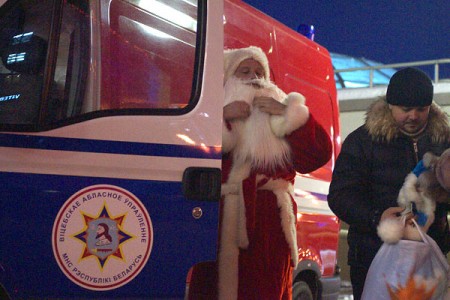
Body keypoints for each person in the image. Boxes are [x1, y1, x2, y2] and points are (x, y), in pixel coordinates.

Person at [218, 46, 332, 300]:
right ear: (227, 75)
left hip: (269, 227)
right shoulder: (212, 109)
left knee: (265, 289)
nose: (254, 77)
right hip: (220, 218)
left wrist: (286, 112)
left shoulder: (279, 107)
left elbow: (319, 154)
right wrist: (221, 116)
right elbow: (191, 150)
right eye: (244, 71)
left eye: (260, 71)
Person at [327, 67, 450, 300]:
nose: (413, 116)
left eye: (421, 109)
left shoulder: (443, 141)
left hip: (430, 257)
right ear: (390, 105)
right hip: (372, 256)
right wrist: (377, 217)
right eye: (406, 109)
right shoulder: (362, 141)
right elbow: (340, 195)